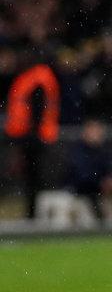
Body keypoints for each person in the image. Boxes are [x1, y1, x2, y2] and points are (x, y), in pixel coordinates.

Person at [5, 57, 61, 219]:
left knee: (34, 177)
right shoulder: (38, 78)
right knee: (34, 177)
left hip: (34, 136)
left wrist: (32, 134)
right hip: (35, 135)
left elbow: (37, 108)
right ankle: (34, 212)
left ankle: (34, 212)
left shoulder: (36, 79)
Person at [65, 117, 112, 223]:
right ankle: (99, 216)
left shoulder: (104, 150)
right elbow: (80, 174)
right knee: (90, 191)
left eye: (97, 131)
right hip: (83, 185)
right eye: (92, 131)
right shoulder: (78, 151)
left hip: (101, 183)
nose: (95, 134)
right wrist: (100, 181)